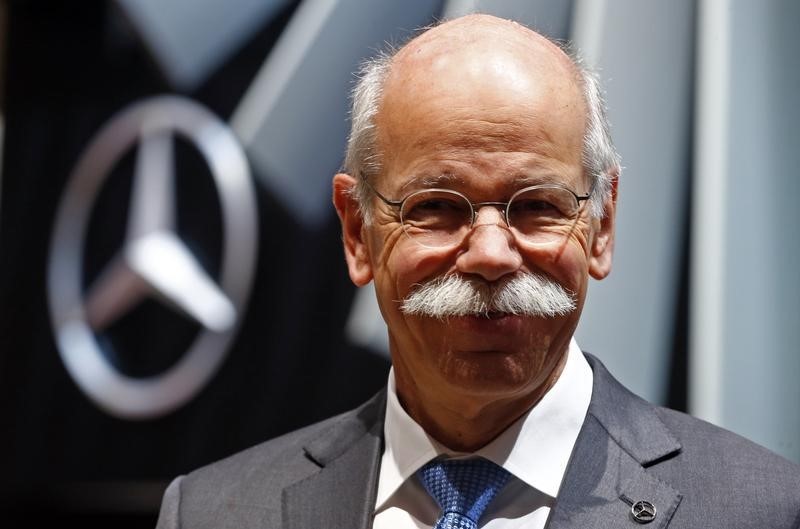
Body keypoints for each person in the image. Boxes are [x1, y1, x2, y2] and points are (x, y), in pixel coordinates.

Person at [155, 14, 800, 529]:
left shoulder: (760, 512)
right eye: (435, 207)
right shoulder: (214, 514)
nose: (491, 254)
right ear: (357, 231)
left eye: (539, 206)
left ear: (601, 226)